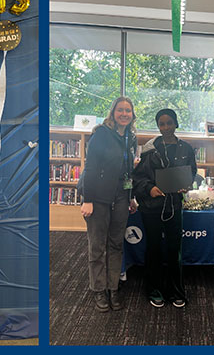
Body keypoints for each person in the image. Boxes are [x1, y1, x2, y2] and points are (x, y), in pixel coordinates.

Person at [132, 108, 197, 308]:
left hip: (174, 206)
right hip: (152, 207)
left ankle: (176, 290)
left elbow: (191, 173)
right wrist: (149, 188)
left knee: (174, 249)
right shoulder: (150, 149)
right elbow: (138, 178)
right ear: (158, 126)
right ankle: (154, 289)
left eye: (169, 123)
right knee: (153, 249)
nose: (166, 127)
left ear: (176, 123)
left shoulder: (186, 149)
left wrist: (187, 185)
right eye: (162, 123)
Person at [79, 96, 139, 312]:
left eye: (128, 111)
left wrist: (131, 196)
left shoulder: (131, 138)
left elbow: (128, 171)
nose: (124, 114)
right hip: (98, 199)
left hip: (122, 198)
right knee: (97, 246)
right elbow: (91, 168)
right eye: (120, 110)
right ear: (113, 112)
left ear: (132, 115)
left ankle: (113, 288)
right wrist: (88, 199)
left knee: (116, 245)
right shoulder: (101, 135)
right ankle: (98, 289)